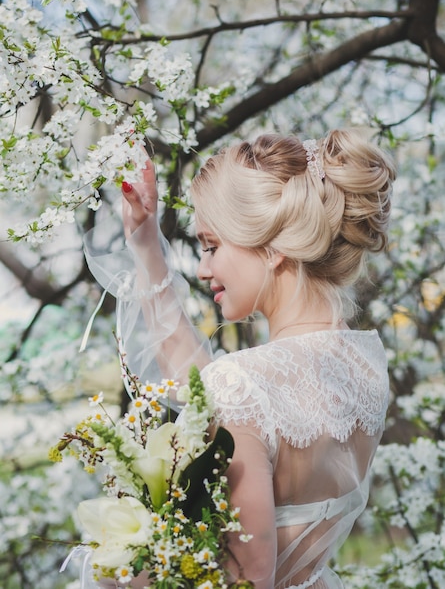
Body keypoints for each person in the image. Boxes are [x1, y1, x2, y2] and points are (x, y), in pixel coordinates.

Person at [85, 129, 396, 589]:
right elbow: (212, 389)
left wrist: (125, 576)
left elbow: (244, 579)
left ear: (272, 249)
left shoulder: (244, 385)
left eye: (212, 246)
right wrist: (147, 245)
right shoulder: (363, 362)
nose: (202, 267)